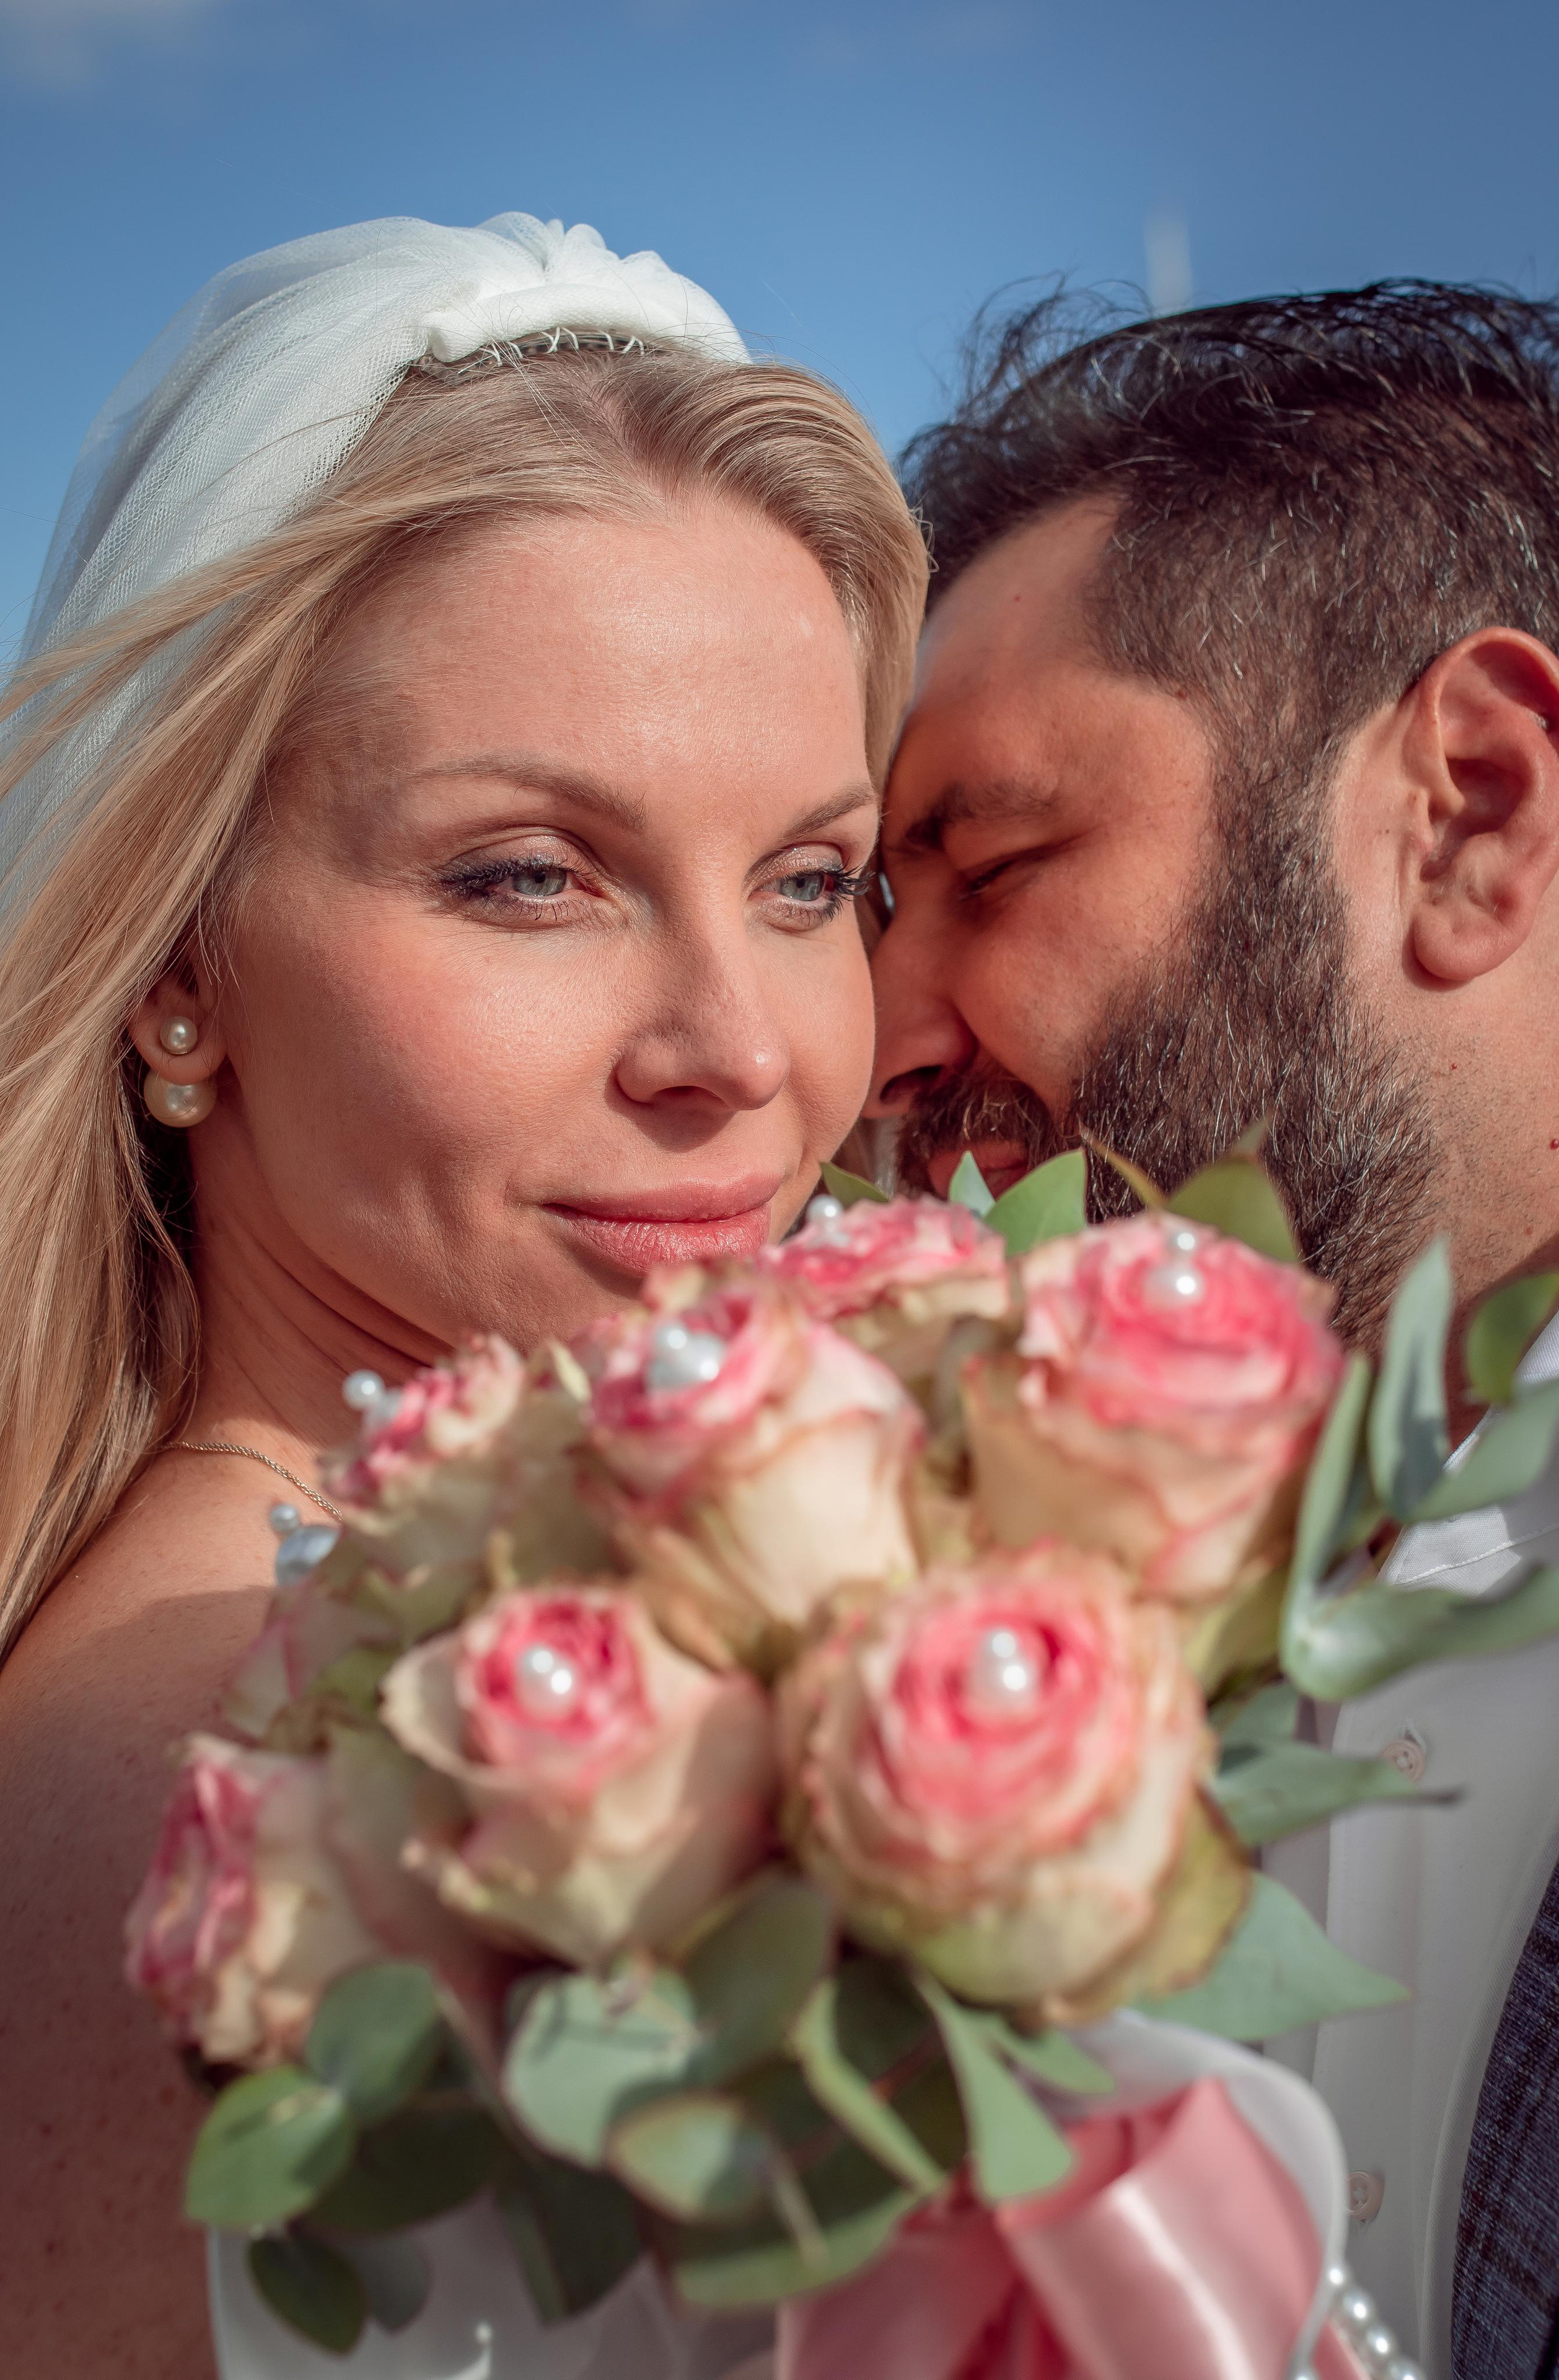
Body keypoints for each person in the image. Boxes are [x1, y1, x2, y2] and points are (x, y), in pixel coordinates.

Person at [0, 211, 928, 2379]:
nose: (739, 1048)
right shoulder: (218, 1781)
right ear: (179, 969)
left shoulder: (491, 1637)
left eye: (810, 882)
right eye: (531, 877)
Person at [866, 282, 1559, 2378]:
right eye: (871, 909)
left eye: (994, 864)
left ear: (1468, 811)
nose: (874, 1043)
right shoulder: (991, 1615)